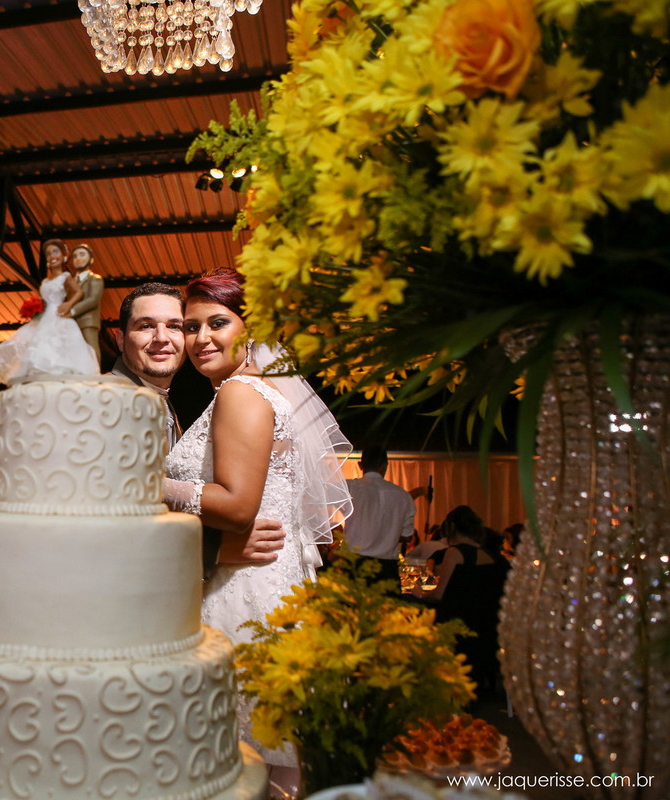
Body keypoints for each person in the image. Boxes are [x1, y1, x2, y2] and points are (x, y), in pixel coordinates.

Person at [162, 268, 353, 783]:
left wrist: (149, 485)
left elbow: (238, 504)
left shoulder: (240, 394)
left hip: (241, 592)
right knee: (266, 766)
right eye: (191, 326)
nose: (200, 339)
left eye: (217, 323)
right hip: (259, 578)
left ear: (252, 328)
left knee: (240, 762)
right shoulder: (260, 392)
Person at [110, 282, 286, 575]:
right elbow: (94, 509)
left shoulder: (170, 408)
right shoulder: (100, 399)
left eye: (176, 326)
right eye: (145, 326)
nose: (161, 338)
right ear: (120, 339)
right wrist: (211, 548)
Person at [414, 505, 510, 695]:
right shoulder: (492, 556)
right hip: (487, 628)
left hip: (457, 625)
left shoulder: (455, 553)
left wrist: (419, 593)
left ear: (451, 528)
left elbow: (441, 594)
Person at [0, 239, 99, 384]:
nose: (51, 256)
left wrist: (69, 304)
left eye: (55, 252)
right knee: (36, 344)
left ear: (63, 255)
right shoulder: (45, 281)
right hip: (44, 317)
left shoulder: (66, 277)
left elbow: (78, 292)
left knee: (56, 344)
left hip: (57, 314)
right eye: (48, 254)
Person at [342, 445, 415, 588]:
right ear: (385, 466)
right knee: (388, 609)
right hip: (387, 568)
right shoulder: (403, 496)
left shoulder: (349, 488)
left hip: (355, 563)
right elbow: (408, 536)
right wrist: (387, 532)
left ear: (360, 465)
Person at [67, 243, 104, 364]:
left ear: (91, 259)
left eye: (82, 254)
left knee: (91, 348)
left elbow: (92, 300)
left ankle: (94, 374)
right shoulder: (71, 282)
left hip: (88, 321)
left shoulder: (95, 279)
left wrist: (71, 311)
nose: (78, 258)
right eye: (75, 256)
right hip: (72, 322)